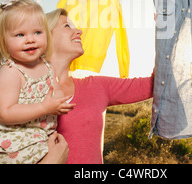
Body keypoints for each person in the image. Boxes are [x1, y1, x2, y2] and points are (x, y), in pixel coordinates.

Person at [46, 8, 154, 164]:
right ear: (46, 37)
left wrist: (168, 32)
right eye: (67, 26)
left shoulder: (97, 87)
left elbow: (154, 84)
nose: (79, 31)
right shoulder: (24, 89)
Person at [0, 0, 75, 164]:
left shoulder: (47, 65)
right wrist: (44, 107)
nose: (30, 39)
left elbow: (56, 89)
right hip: (11, 147)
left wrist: (58, 101)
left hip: (39, 141)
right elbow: (6, 113)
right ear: (3, 41)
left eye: (37, 32)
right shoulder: (11, 72)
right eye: (20, 34)